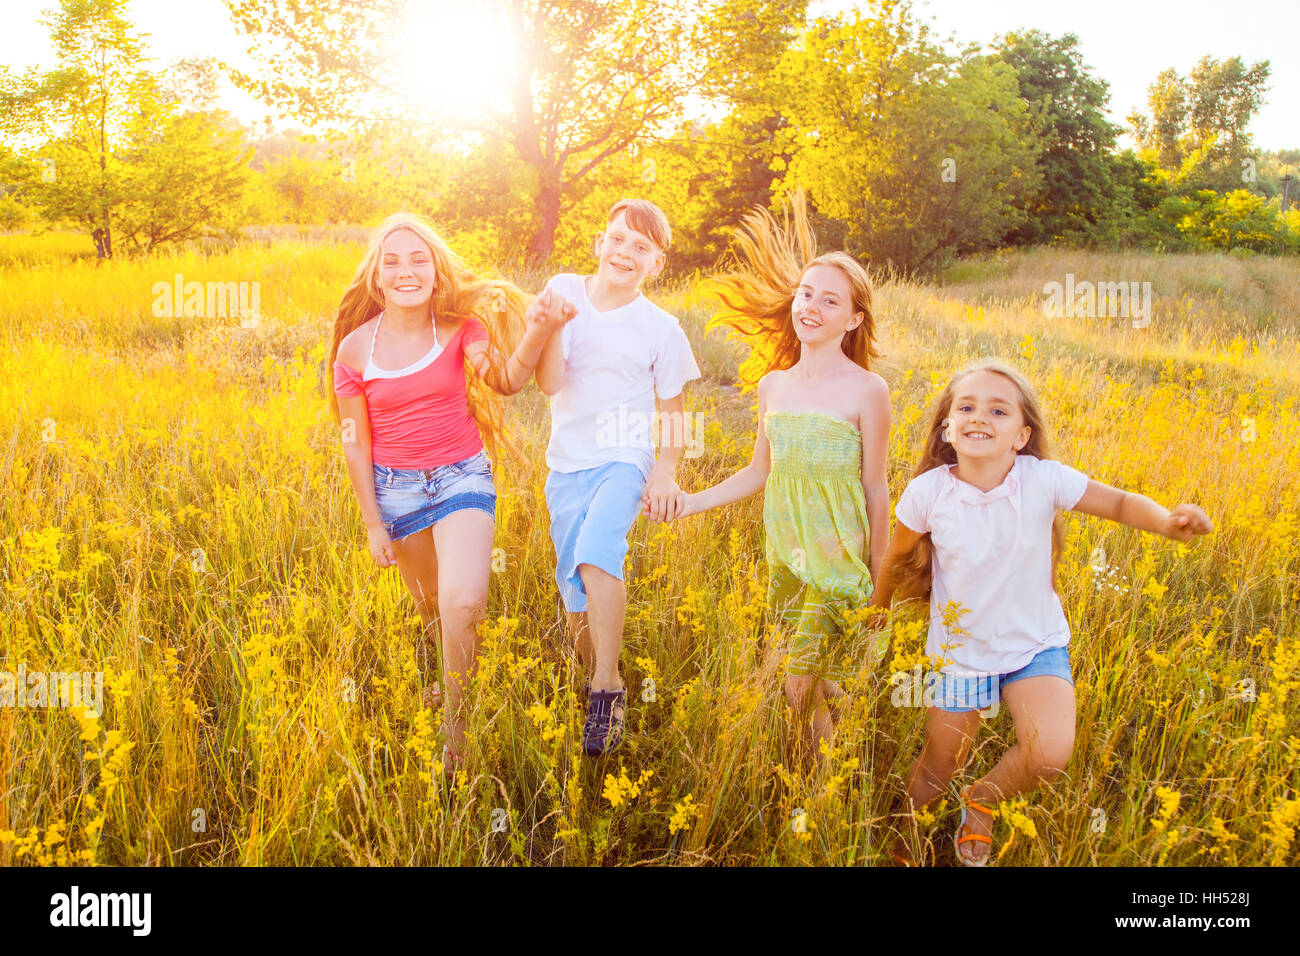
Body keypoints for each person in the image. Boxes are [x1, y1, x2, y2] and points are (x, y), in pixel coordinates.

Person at [872, 358, 1213, 865]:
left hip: (1035, 645)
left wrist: (1166, 521)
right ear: (947, 428)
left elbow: (1118, 503)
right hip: (960, 653)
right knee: (939, 764)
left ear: (1022, 435)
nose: (979, 416)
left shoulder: (1042, 479)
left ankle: (983, 799)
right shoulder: (928, 492)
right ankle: (905, 846)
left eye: (998, 409)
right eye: (965, 407)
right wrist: (877, 610)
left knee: (1049, 753)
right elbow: (899, 556)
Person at [328, 212, 575, 771]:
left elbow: (507, 382)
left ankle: (456, 735)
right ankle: (450, 678)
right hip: (396, 493)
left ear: (437, 273)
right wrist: (372, 523)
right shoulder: (354, 350)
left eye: (419, 260)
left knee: (464, 602)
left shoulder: (463, 330)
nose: (406, 270)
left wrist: (539, 327)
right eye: (392, 261)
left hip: (462, 476)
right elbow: (355, 442)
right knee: (436, 612)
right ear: (375, 279)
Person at [664, 193, 891, 761]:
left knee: (795, 681)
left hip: (840, 562)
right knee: (808, 684)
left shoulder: (868, 391)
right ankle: (840, 722)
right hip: (786, 555)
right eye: (806, 294)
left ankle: (829, 796)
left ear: (854, 318)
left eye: (830, 300)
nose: (811, 306)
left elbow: (876, 488)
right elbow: (759, 472)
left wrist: (883, 579)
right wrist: (690, 502)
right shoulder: (774, 386)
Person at [534, 198, 701, 756]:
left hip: (625, 459)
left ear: (657, 264)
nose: (626, 252)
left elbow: (674, 411)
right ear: (598, 243)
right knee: (573, 585)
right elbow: (551, 382)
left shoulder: (661, 328)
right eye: (619, 239)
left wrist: (665, 472)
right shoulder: (564, 291)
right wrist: (552, 325)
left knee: (597, 550)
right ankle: (596, 681)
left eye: (642, 247)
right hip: (566, 463)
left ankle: (608, 687)